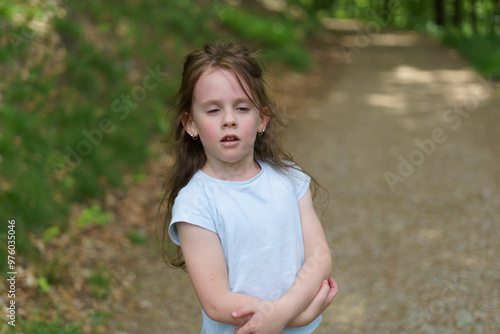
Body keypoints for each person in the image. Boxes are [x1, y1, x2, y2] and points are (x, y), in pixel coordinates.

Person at [160, 40, 338, 333]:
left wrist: (281, 313)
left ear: (262, 119)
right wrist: (297, 317)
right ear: (190, 123)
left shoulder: (290, 180)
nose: (229, 120)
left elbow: (319, 257)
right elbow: (217, 302)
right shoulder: (196, 203)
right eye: (213, 110)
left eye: (242, 108)